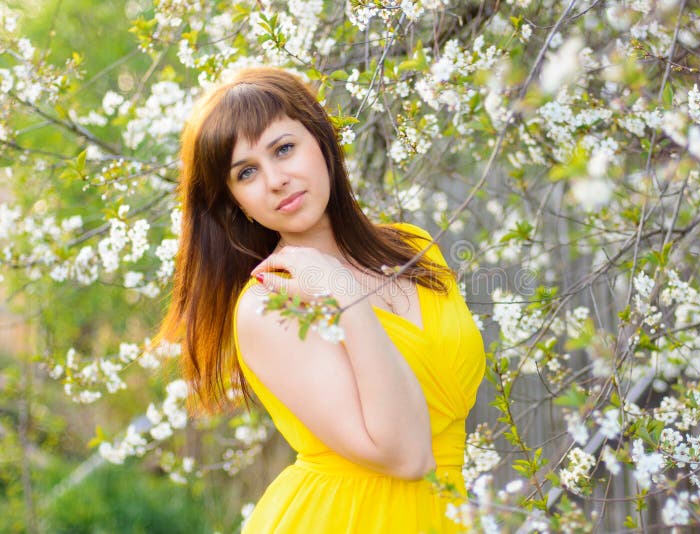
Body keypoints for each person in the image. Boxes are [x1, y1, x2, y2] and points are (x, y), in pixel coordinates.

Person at [159, 66, 486, 533]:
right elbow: (408, 454)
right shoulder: (267, 306)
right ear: (235, 201)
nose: (275, 180)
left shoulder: (413, 247)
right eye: (247, 172)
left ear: (322, 141)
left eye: (284, 149)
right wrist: (348, 298)